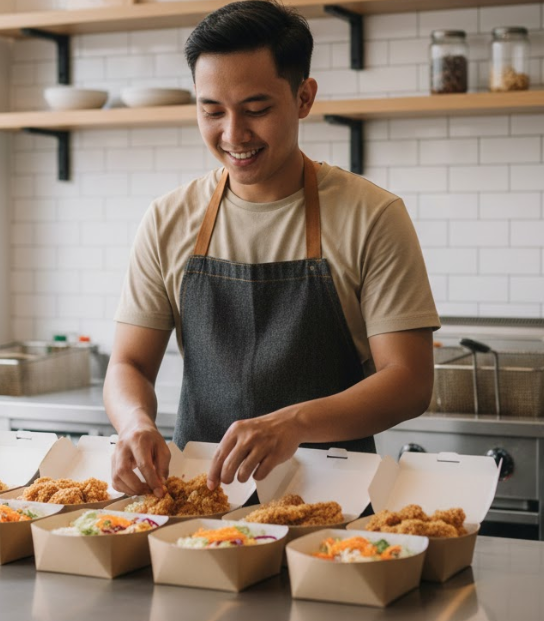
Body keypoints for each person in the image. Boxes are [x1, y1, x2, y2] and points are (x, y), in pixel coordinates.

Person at [104, 0, 440, 499]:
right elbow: (128, 363)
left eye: (257, 110)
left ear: (304, 98)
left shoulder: (372, 215)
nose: (233, 135)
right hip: (199, 503)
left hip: (332, 504)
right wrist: (134, 423)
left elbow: (409, 380)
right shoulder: (167, 219)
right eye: (211, 111)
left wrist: (295, 423)